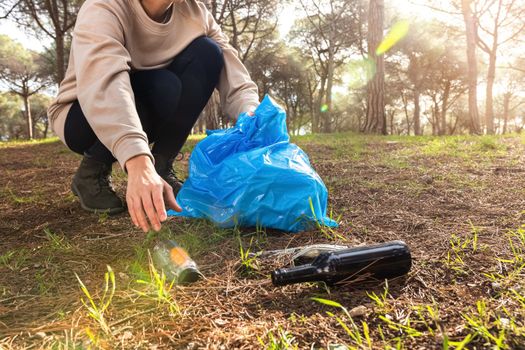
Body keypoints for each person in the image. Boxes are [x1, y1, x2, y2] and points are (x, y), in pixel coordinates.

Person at [47, 0, 260, 233]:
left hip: (152, 97)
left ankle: (161, 166)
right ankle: (92, 170)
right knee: (163, 86)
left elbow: (230, 66)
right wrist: (137, 160)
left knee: (208, 52)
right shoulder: (103, 6)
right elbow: (105, 82)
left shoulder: (195, 12)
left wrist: (252, 115)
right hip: (81, 114)